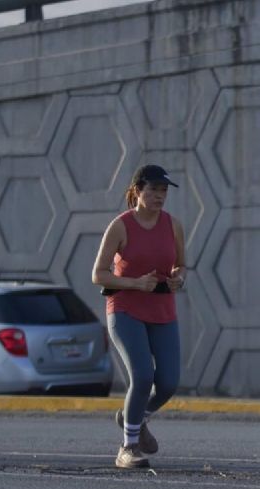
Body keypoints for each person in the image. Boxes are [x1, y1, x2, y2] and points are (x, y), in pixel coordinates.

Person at [92, 164, 186, 469]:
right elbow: (99, 274)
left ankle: (134, 417)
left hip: (162, 308)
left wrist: (178, 278)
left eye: (163, 190)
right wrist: (134, 283)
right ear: (137, 191)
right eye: (154, 189)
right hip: (125, 308)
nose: (160, 196)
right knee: (143, 375)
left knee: (169, 382)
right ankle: (128, 447)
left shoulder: (173, 225)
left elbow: (181, 265)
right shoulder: (120, 226)